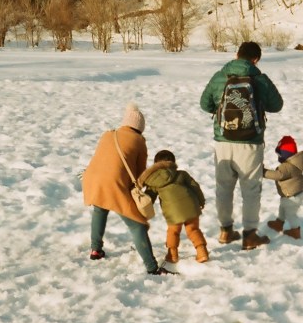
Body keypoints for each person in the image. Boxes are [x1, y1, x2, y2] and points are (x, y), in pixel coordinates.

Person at [200, 41, 284, 250]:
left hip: (223, 142)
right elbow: (277, 105)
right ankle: (249, 235)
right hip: (250, 143)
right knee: (251, 190)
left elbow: (204, 104)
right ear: (256, 59)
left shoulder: (220, 76)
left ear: (236, 54)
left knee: (224, 188)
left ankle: (225, 231)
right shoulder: (260, 79)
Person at [81, 102, 173, 276]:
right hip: (114, 185)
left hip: (93, 179)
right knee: (137, 225)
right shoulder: (139, 141)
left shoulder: (108, 135)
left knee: (100, 209)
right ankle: (152, 267)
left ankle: (95, 250)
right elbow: (138, 175)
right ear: (140, 127)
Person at [140, 149, 210, 263]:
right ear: (173, 162)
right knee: (193, 229)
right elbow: (195, 187)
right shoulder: (182, 174)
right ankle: (202, 252)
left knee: (173, 231)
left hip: (173, 212)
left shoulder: (153, 181)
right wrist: (201, 201)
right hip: (191, 206)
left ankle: (172, 255)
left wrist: (144, 210)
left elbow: (149, 197)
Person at [264, 135, 303, 239]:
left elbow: (278, 175)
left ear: (285, 154)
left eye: (279, 153)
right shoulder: (294, 163)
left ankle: (295, 231)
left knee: (290, 214)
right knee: (282, 209)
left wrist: (263, 172)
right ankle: (279, 223)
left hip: (292, 197)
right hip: (292, 195)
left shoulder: (288, 166)